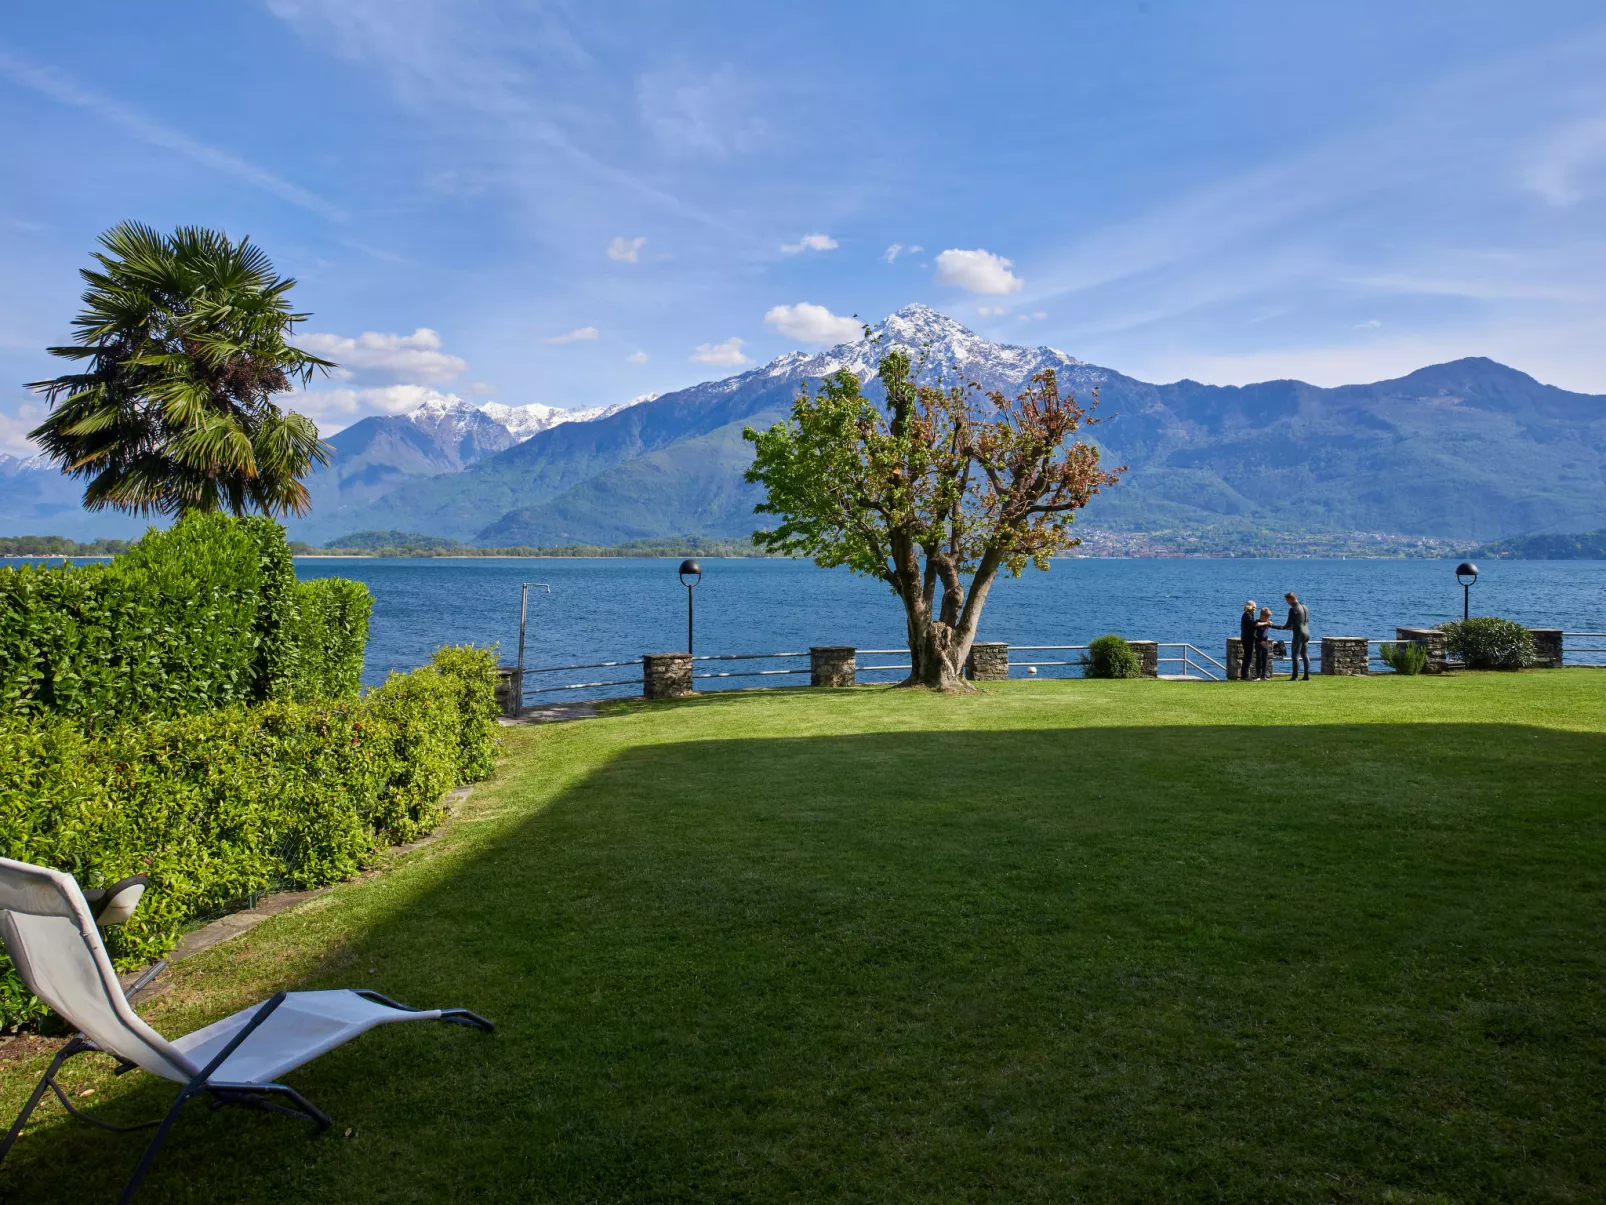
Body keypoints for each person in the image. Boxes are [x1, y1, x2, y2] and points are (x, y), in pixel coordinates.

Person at [1274, 591, 1311, 680]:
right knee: (1305, 655)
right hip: (1306, 632)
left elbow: (1287, 625)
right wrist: (1293, 626)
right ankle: (1306, 676)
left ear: (1290, 599)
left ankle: (1295, 677)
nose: (1287, 602)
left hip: (1299, 634)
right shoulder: (1304, 607)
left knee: (1295, 655)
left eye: (1287, 600)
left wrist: (1273, 626)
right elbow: (1304, 621)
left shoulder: (1293, 609)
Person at [1237, 601, 1257, 680]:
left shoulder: (1250, 614)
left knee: (1249, 656)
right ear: (1250, 607)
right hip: (1247, 638)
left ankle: (1246, 674)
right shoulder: (1246, 615)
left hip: (1249, 637)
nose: (1255, 609)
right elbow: (1252, 624)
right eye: (1254, 607)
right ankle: (1245, 675)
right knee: (1248, 656)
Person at [1254, 607, 1273, 680]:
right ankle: (1258, 675)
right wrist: (1259, 641)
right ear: (1262, 616)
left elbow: (1273, 626)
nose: (1268, 619)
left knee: (1265, 659)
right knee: (1258, 659)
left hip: (1265, 642)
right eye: (1267, 617)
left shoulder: (1267, 623)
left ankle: (1264, 675)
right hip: (1258, 643)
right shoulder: (1257, 623)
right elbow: (1254, 634)